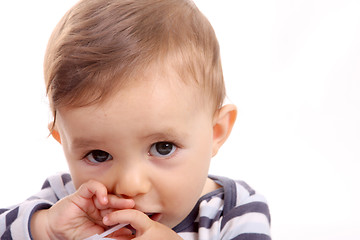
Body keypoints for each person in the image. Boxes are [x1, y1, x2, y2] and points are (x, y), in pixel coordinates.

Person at [0, 0, 271, 239]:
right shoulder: (64, 202)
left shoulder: (236, 213)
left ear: (216, 132)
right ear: (63, 141)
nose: (129, 185)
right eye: (98, 154)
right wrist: (44, 228)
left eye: (163, 147)